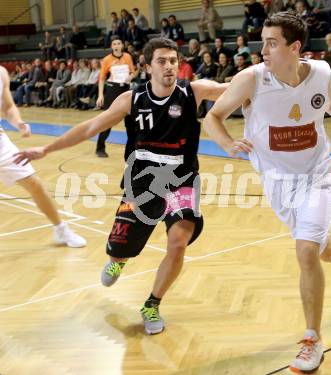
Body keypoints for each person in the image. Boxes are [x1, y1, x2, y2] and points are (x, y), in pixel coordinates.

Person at [203, 11, 331, 373]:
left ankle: (312, 339)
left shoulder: (320, 73)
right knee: (322, 249)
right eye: (263, 42)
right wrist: (226, 142)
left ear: (295, 48)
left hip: (316, 174)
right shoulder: (250, 80)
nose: (264, 50)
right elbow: (213, 116)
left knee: (306, 250)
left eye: (272, 43)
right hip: (276, 183)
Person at [14, 37, 228, 336]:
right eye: (162, 61)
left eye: (173, 60)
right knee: (120, 248)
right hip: (141, 180)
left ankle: (151, 304)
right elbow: (90, 127)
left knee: (178, 243)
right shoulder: (131, 99)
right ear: (147, 66)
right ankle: (118, 260)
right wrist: (46, 149)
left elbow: (238, 89)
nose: (169, 66)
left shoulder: (194, 90)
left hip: (182, 178)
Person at [0, 66, 86, 248]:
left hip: (1, 144)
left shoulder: (1, 73)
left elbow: (8, 107)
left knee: (34, 184)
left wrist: (19, 123)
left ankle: (61, 230)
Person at [95, 36, 135, 157]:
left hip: (126, 90)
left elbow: (133, 72)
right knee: (108, 120)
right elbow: (101, 79)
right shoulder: (107, 60)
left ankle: (132, 149)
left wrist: (131, 76)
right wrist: (100, 95)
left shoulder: (127, 57)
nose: (117, 46)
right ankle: (100, 148)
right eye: (114, 44)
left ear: (122, 45)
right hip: (112, 90)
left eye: (119, 43)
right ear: (112, 46)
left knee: (131, 121)